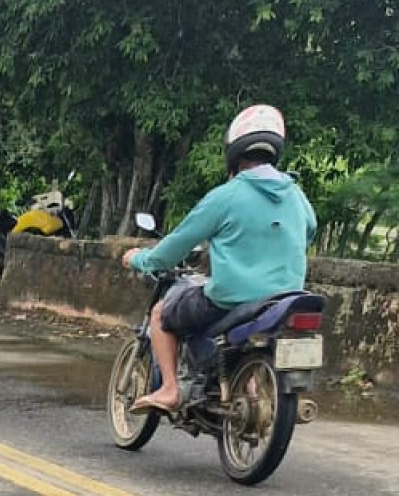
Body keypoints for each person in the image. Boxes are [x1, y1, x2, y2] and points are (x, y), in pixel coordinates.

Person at [122, 104, 317, 413]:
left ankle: (170, 389)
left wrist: (140, 259)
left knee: (161, 313)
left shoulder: (227, 196)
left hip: (230, 300)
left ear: (234, 151)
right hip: (284, 298)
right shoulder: (297, 195)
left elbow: (175, 247)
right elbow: (308, 232)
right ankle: (239, 383)